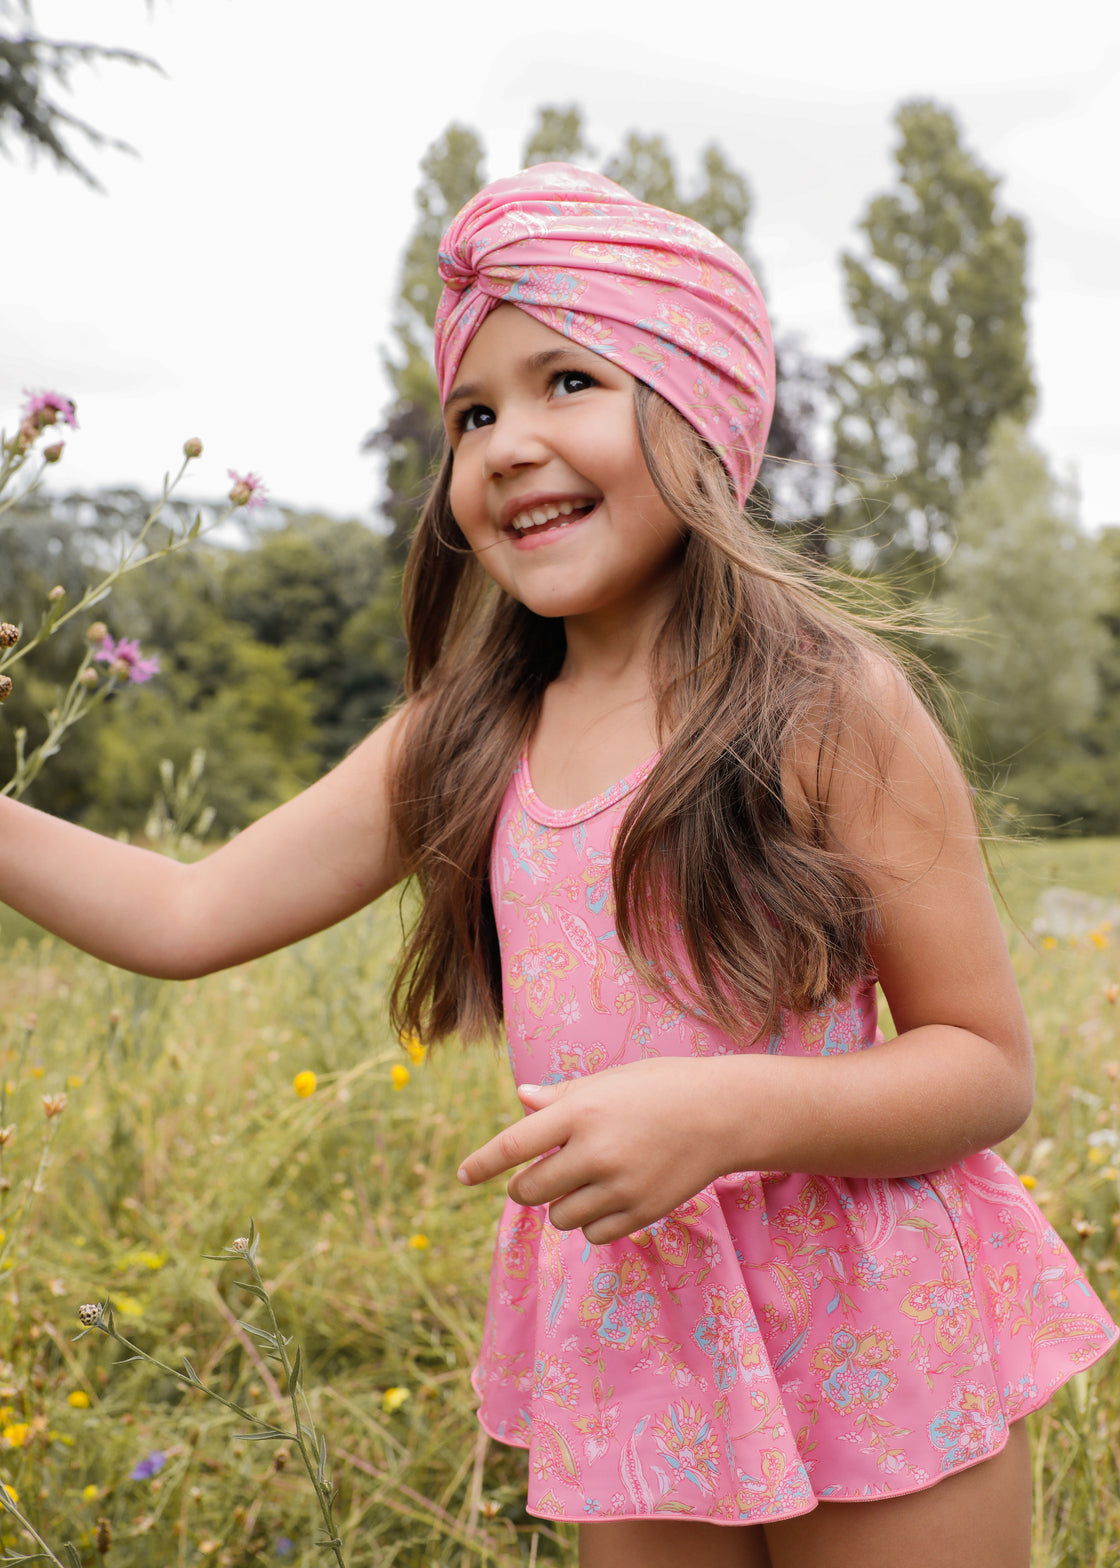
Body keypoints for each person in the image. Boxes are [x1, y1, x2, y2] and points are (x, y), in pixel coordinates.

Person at [0, 164, 1114, 1567]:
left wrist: (724, 1113)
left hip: (876, 1324)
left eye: (567, 382)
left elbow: (984, 1064)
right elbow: (182, 911)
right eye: (472, 414)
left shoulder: (826, 704)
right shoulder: (464, 736)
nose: (505, 445)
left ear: (698, 411)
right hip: (641, 1324)